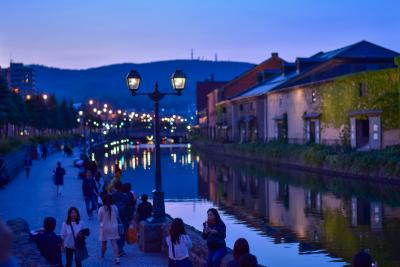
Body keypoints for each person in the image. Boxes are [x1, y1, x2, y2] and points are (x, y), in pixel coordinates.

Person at [98, 194, 120, 264]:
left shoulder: (101, 208)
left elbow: (99, 219)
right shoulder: (115, 207)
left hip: (104, 227)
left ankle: (102, 255)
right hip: (114, 227)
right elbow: (117, 216)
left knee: (104, 243)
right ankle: (117, 258)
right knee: (114, 243)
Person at [111, 181, 130, 256]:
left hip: (114, 218)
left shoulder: (112, 196)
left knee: (116, 233)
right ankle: (120, 249)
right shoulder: (125, 196)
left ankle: (117, 248)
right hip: (124, 218)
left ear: (114, 187)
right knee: (122, 234)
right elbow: (129, 207)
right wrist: (129, 217)